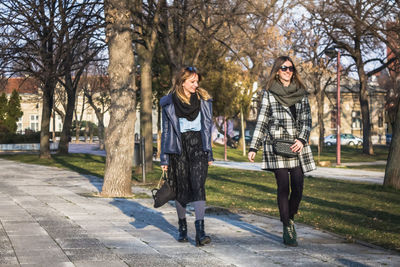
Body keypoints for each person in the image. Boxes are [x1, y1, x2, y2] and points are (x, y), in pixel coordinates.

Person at [248, 56, 316, 246]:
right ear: (277, 71)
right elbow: (261, 121)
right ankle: (287, 225)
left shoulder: (301, 93)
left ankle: (291, 216)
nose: (288, 71)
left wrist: (302, 139)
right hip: (277, 145)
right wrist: (254, 146)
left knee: (298, 184)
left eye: (291, 68)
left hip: (297, 145)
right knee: (283, 186)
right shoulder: (269, 93)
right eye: (284, 68)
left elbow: (307, 119)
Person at [160, 66, 213, 246]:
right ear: (182, 82)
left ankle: (200, 231)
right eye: (192, 82)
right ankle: (182, 227)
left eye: (197, 81)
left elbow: (207, 127)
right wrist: (164, 159)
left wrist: (209, 152)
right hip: (178, 147)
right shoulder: (168, 103)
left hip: (198, 146)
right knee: (181, 189)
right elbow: (166, 132)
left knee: (198, 185)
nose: (196, 85)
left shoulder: (204, 100)